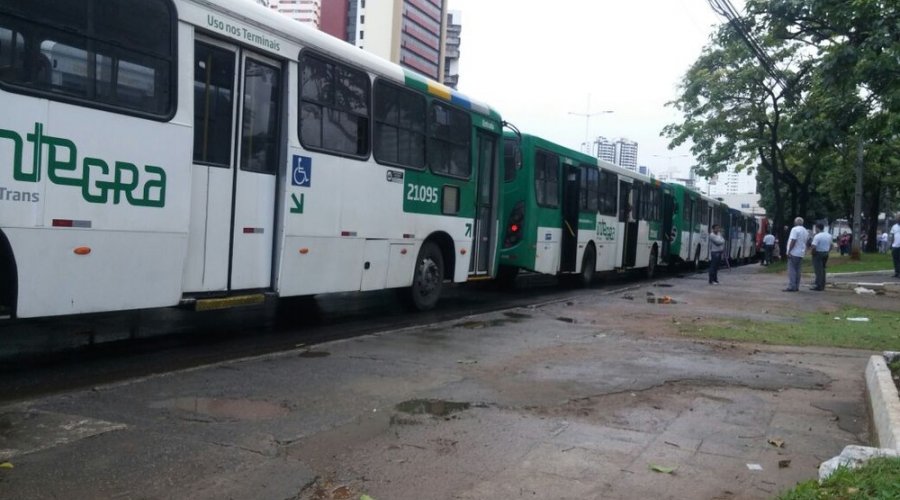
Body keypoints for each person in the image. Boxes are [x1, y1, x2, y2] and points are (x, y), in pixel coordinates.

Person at [784, 217, 809, 292]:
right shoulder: (805, 231)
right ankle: (796, 286)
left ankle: (792, 286)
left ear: (795, 223)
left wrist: (789, 251)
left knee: (792, 270)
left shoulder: (794, 229)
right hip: (801, 252)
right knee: (798, 270)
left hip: (794, 252)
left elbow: (793, 240)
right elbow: (806, 242)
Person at [810, 223, 831, 291]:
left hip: (818, 253)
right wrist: (828, 251)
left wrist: (812, 253)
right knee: (823, 269)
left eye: (816, 228)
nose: (815, 230)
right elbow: (831, 245)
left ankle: (818, 285)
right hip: (826, 253)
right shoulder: (829, 235)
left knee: (818, 270)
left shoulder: (817, 236)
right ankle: (822, 284)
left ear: (818, 228)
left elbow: (813, 246)